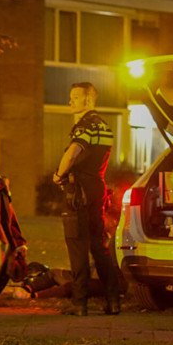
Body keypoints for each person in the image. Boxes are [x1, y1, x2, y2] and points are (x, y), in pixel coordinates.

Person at [52, 82, 121, 316]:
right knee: (98, 245)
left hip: (78, 191)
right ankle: (113, 301)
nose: (70, 101)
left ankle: (79, 303)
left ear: (88, 100)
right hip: (98, 188)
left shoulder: (84, 126)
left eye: (75, 97)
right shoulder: (105, 127)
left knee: (77, 245)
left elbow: (72, 153)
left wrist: (58, 175)